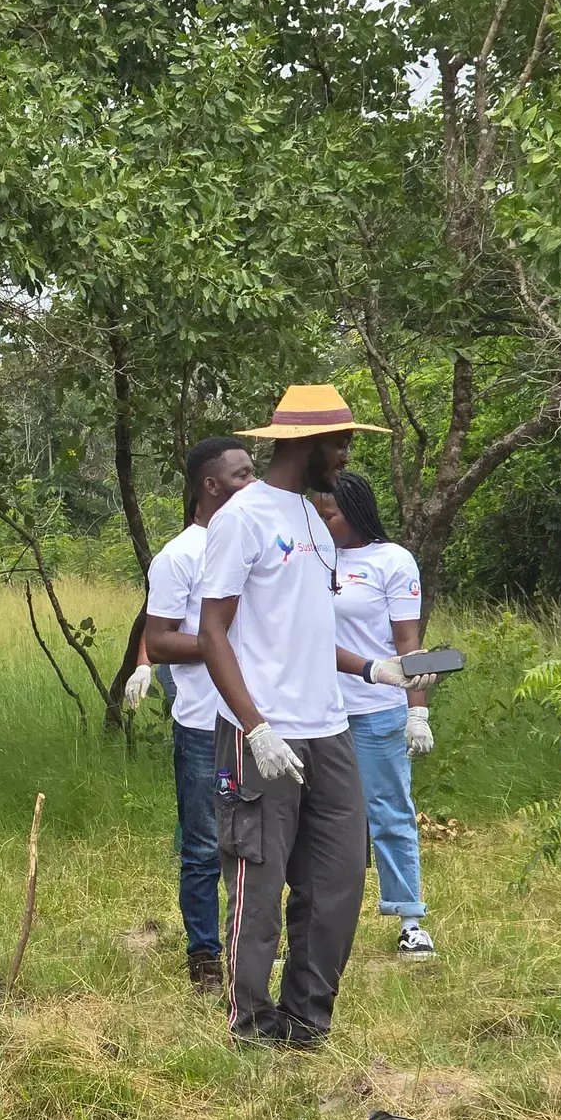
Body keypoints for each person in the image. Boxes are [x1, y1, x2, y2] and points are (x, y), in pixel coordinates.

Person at [197, 386, 433, 1047]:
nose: (347, 453)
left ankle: (306, 1021)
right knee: (258, 881)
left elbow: (302, 630)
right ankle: (249, 1024)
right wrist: (254, 725)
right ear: (303, 445)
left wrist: (372, 669)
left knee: (334, 883)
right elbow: (214, 631)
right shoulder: (242, 519)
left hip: (328, 728)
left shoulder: (313, 522)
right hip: (261, 732)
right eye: (339, 441)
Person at [143, 436, 257, 994]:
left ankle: (250, 948)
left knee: (256, 842)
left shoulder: (256, 547)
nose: (252, 484)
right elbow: (160, 642)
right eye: (241, 476)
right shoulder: (180, 555)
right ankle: (205, 957)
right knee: (205, 845)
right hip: (203, 724)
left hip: (259, 721)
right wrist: (222, 648)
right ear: (210, 486)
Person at [313, 472, 439, 960]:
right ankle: (314, 921)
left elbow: (408, 643)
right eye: (318, 516)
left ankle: (409, 917)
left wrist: (417, 712)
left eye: (331, 516)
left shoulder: (392, 560)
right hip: (320, 710)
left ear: (357, 512)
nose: (324, 525)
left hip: (377, 710)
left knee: (388, 811)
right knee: (317, 821)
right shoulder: (313, 558)